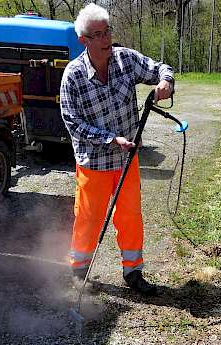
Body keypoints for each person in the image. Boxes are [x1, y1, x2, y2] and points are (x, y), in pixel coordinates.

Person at [60, 2, 174, 296]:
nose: (106, 39)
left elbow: (160, 68)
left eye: (108, 31)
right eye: (98, 35)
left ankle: (133, 271)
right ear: (83, 40)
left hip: (126, 160)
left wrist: (165, 82)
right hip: (94, 163)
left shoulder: (125, 60)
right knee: (88, 219)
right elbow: (73, 123)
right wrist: (111, 139)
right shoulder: (73, 76)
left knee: (130, 216)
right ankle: (79, 271)